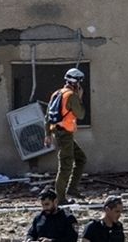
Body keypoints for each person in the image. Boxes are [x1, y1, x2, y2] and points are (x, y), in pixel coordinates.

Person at [46, 68, 87, 202]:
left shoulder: (57, 93)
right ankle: (60, 199)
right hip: (65, 134)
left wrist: (47, 134)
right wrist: (79, 98)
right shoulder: (71, 96)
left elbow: (47, 116)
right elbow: (81, 114)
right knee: (66, 165)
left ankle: (72, 189)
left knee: (81, 158)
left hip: (58, 132)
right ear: (76, 83)